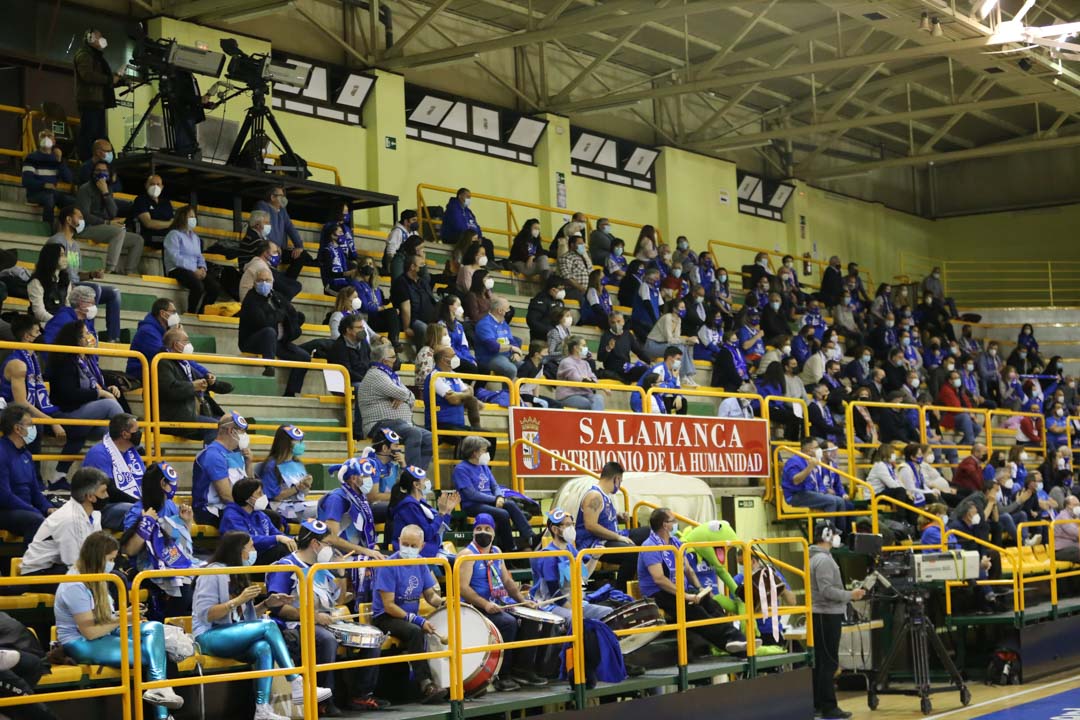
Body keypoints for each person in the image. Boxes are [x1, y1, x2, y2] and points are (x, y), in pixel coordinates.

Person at [192, 531, 332, 720]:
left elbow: (243, 619)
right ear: (240, 550)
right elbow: (206, 614)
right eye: (251, 546)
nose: (254, 550)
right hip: (209, 636)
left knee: (263, 647)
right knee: (268, 625)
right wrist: (238, 600)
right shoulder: (212, 572)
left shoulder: (240, 573)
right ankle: (295, 681)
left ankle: (262, 710)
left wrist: (267, 604)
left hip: (233, 635)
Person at [55, 531, 184, 720]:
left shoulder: (98, 578)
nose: (112, 564)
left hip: (104, 633)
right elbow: (90, 632)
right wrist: (124, 618)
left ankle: (160, 696)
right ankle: (162, 713)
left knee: (154, 627)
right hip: (80, 642)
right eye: (110, 559)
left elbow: (104, 617)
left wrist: (127, 614)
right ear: (97, 557)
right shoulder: (73, 584)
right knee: (153, 654)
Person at [267, 520, 387, 715]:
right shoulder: (286, 566)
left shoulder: (321, 567)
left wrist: (340, 574)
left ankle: (361, 694)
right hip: (295, 624)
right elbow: (278, 607)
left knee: (372, 637)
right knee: (327, 640)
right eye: (328, 544)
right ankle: (324, 699)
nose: (330, 548)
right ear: (315, 544)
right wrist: (312, 616)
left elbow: (337, 600)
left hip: (325, 620)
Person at [638, 507, 751, 654]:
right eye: (673, 521)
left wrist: (700, 590)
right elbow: (659, 579)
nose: (675, 524)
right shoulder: (650, 546)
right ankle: (732, 643)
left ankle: (738, 640)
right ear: (665, 525)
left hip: (678, 590)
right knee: (697, 612)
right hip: (658, 594)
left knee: (712, 605)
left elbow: (688, 570)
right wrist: (685, 595)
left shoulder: (675, 543)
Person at [457, 514, 548, 690]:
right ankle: (501, 675)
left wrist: (523, 601)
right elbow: (463, 589)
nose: (482, 532)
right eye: (478, 529)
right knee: (508, 623)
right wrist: (485, 604)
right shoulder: (467, 555)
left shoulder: (497, 552)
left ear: (493, 531)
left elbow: (507, 581)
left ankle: (522, 670)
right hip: (474, 607)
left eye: (487, 529)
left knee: (532, 618)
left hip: (498, 602)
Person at [372, 524, 449, 703]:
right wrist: (418, 620)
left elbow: (430, 594)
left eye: (413, 546)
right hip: (386, 617)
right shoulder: (389, 566)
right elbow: (389, 606)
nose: (408, 549)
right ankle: (426, 684)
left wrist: (443, 602)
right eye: (405, 544)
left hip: (410, 618)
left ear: (421, 547)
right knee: (415, 631)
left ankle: (446, 680)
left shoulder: (421, 562)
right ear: (398, 542)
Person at [45, 320, 125, 483]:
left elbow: (93, 384)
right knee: (110, 407)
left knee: (106, 433)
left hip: (83, 414)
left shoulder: (87, 360)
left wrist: (108, 389)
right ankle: (130, 449)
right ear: (75, 339)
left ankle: (58, 477)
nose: (90, 337)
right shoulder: (65, 362)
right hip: (66, 412)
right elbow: (68, 395)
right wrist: (99, 393)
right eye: (86, 334)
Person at [808, 520, 864, 719]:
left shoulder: (821, 557)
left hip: (825, 614)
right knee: (828, 662)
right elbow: (827, 591)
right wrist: (851, 595)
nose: (837, 537)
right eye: (834, 533)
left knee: (822, 662)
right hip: (825, 615)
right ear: (826, 535)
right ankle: (829, 707)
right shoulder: (822, 560)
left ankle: (818, 704)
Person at [45, 206, 123, 342]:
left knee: (114, 293)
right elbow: (50, 269)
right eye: (79, 217)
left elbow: (77, 274)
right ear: (69, 220)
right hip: (63, 285)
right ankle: (88, 331)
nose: (82, 220)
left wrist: (92, 274)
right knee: (94, 289)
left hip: (77, 285)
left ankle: (113, 337)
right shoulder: (56, 241)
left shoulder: (75, 245)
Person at [20, 468, 107, 580]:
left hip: (62, 567)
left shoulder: (95, 514)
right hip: (38, 574)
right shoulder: (69, 519)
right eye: (103, 492)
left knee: (113, 578)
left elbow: (96, 551)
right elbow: (74, 563)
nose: (107, 495)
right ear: (90, 496)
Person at [356, 342, 432, 470]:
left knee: (429, 438)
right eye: (393, 357)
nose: (395, 360)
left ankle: (420, 475)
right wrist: (404, 396)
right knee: (414, 433)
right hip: (378, 424)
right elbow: (404, 394)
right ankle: (410, 476)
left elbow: (410, 397)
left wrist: (404, 397)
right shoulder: (376, 375)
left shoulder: (391, 376)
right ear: (384, 360)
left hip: (399, 424)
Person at [454, 435, 534, 552]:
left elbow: (495, 485)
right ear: (475, 452)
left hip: (491, 501)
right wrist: (494, 499)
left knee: (510, 505)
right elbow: (471, 494)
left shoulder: (484, 467)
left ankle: (529, 536)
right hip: (473, 505)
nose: (487, 453)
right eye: (484, 450)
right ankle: (510, 547)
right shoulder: (461, 469)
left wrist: (500, 496)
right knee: (502, 514)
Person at [239, 267, 309, 397]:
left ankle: (291, 392)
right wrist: (279, 315)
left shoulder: (277, 296)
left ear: (272, 282)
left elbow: (291, 312)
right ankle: (269, 365)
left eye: (267, 280)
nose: (264, 283)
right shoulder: (251, 299)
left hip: (278, 343)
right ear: (254, 282)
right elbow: (262, 322)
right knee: (269, 332)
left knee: (304, 357)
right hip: (253, 341)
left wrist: (293, 323)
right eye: (260, 280)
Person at [531, 509, 612, 622]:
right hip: (552, 605)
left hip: (575, 602)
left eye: (572, 524)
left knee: (608, 613)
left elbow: (584, 576)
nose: (572, 528)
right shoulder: (548, 556)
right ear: (555, 529)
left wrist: (595, 558)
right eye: (568, 525)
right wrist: (576, 611)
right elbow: (555, 594)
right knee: (578, 620)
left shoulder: (570, 549)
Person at [317, 458, 388, 571]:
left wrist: (372, 547)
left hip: (356, 551)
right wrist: (365, 551)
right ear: (353, 478)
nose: (370, 480)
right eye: (366, 476)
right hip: (337, 555)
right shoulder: (336, 499)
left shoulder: (360, 497)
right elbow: (331, 537)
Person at [76, 159, 144, 275]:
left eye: (104, 171)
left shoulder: (108, 189)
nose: (101, 173)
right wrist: (107, 223)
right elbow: (85, 216)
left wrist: (106, 193)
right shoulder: (85, 189)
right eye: (98, 170)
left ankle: (129, 272)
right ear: (93, 173)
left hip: (102, 227)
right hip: (86, 228)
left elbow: (113, 213)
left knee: (137, 240)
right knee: (118, 232)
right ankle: (110, 269)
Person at [575, 462, 637, 590]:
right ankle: (621, 592)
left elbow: (603, 518)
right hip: (595, 542)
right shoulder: (594, 496)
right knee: (632, 553)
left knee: (646, 533)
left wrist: (619, 517)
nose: (620, 486)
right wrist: (617, 537)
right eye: (620, 481)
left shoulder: (605, 495)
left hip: (609, 537)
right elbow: (591, 525)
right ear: (616, 479)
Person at [81, 413, 145, 530]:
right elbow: (109, 491)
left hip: (129, 502)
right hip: (103, 508)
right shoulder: (99, 453)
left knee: (169, 508)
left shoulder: (133, 453)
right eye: (137, 430)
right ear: (125, 434)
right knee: (141, 512)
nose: (140, 433)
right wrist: (140, 502)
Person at [0, 404, 55, 539]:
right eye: (30, 424)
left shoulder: (27, 455)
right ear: (18, 429)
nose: (33, 428)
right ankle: (30, 560)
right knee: (36, 520)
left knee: (62, 517)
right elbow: (4, 496)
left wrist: (48, 509)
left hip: (25, 509)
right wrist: (34, 510)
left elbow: (35, 491)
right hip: (5, 510)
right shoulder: (2, 453)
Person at [192, 413, 253, 526]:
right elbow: (225, 495)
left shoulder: (237, 454)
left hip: (232, 507)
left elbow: (250, 486)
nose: (245, 435)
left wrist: (249, 464)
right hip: (211, 509)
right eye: (242, 431)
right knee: (247, 522)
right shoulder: (213, 454)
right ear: (231, 431)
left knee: (269, 518)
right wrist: (247, 509)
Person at [218, 479, 294, 566]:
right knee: (281, 550)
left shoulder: (259, 514)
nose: (263, 496)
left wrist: (291, 540)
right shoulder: (231, 517)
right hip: (244, 560)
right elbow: (245, 541)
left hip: (261, 554)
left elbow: (275, 532)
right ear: (247, 498)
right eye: (259, 493)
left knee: (292, 546)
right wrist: (276, 538)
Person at [73, 31, 122, 159]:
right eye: (99, 37)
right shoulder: (84, 55)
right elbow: (88, 75)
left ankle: (105, 161)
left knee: (99, 135)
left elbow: (102, 79)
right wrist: (110, 79)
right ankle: (88, 161)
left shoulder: (96, 57)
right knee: (90, 135)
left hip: (98, 102)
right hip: (90, 102)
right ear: (90, 39)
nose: (102, 39)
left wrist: (120, 81)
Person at [387, 467, 457, 558]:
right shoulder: (408, 506)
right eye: (424, 479)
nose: (428, 482)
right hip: (414, 553)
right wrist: (441, 514)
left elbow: (439, 528)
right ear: (416, 485)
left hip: (429, 550)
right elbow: (427, 534)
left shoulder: (421, 503)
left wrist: (447, 511)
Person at [781, 438, 848, 529]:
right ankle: (829, 532)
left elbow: (819, 482)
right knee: (831, 501)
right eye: (816, 447)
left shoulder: (811, 461)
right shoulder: (794, 461)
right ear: (809, 450)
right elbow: (796, 480)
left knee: (840, 501)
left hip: (810, 493)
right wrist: (810, 467)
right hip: (795, 495)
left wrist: (824, 491)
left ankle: (841, 534)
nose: (819, 450)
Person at [163, 206, 217, 314]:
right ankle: (190, 313)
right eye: (191, 216)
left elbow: (199, 256)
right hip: (177, 269)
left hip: (195, 270)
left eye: (194, 216)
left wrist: (202, 268)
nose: (193, 219)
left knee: (215, 287)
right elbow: (175, 257)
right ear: (183, 217)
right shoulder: (173, 235)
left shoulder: (195, 237)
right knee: (198, 286)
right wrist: (193, 269)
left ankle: (202, 312)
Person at [253, 186, 312, 282]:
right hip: (266, 249)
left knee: (303, 256)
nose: (284, 198)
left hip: (279, 250)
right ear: (272, 197)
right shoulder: (262, 206)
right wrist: (273, 247)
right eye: (281, 196)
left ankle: (288, 282)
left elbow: (290, 227)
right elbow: (261, 228)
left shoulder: (282, 211)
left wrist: (299, 246)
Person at [259, 425, 315, 523]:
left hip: (299, 504)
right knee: (321, 510)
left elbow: (304, 493)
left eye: (301, 441)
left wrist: (306, 485)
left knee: (327, 504)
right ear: (285, 443)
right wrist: (297, 488)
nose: (300, 444)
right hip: (281, 509)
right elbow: (274, 497)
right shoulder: (271, 465)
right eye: (297, 441)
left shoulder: (298, 463)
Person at [22, 129, 74, 224]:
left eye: (49, 136)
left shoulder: (56, 158)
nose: (46, 138)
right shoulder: (31, 158)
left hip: (52, 192)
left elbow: (68, 179)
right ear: (39, 140)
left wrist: (59, 161)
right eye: (43, 136)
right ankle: (47, 229)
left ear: (54, 141)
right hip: (35, 194)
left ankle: (65, 228)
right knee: (49, 199)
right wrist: (44, 185)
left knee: (71, 202)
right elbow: (26, 181)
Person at [646, 298, 698, 384]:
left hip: (664, 345)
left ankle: (686, 375)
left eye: (684, 308)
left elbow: (676, 338)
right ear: (674, 309)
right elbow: (669, 339)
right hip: (652, 345)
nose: (684, 310)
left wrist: (688, 341)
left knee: (684, 346)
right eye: (681, 307)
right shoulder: (667, 317)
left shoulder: (679, 320)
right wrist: (687, 339)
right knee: (680, 347)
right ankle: (683, 375)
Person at [391, 255, 439, 346]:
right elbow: (405, 307)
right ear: (412, 267)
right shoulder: (401, 283)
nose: (423, 267)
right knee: (424, 329)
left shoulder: (423, 282)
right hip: (414, 321)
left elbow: (431, 300)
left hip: (429, 320)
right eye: (421, 265)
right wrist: (407, 327)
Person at [475, 297, 524, 379]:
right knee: (511, 369)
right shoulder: (485, 324)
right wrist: (512, 348)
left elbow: (512, 340)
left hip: (506, 356)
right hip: (489, 358)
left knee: (526, 368)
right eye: (507, 309)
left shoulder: (503, 323)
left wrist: (516, 353)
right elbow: (493, 347)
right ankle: (507, 392)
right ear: (500, 311)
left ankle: (522, 391)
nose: (509, 311)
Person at [556, 337, 606, 411]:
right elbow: (575, 378)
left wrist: (588, 379)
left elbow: (594, 378)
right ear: (575, 348)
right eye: (584, 345)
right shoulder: (566, 362)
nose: (586, 348)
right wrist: (585, 379)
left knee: (599, 398)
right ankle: (595, 421)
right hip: (568, 395)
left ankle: (596, 421)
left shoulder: (585, 363)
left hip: (586, 394)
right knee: (589, 404)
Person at [598, 311, 649, 383]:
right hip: (614, 369)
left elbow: (638, 351)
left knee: (646, 370)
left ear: (623, 322)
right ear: (609, 324)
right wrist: (608, 348)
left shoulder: (628, 335)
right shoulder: (606, 336)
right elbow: (600, 358)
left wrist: (650, 361)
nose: (616, 324)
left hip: (627, 369)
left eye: (618, 321)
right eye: (613, 322)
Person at [130, 175, 175, 246]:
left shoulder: (166, 203)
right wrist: (169, 224)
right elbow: (148, 223)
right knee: (173, 241)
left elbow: (173, 222)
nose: (155, 187)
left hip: (166, 235)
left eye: (158, 184)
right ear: (146, 185)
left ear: (162, 187)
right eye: (152, 184)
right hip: (148, 236)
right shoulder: (141, 200)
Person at [526, 276, 567, 343]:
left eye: (563, 289)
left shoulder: (559, 302)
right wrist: (550, 330)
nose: (562, 292)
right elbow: (532, 321)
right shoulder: (540, 301)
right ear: (552, 289)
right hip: (540, 339)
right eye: (560, 289)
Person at [1053, 495, 1080, 564]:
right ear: (1068, 506)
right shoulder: (1063, 517)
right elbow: (1075, 532)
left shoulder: (1075, 516)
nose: (1078, 507)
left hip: (1074, 548)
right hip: (1061, 550)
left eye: (1079, 505)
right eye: (1075, 505)